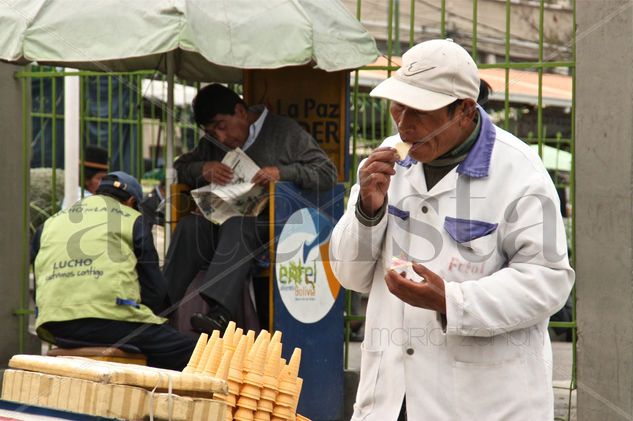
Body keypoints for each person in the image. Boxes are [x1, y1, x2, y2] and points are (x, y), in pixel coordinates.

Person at [330, 39, 575, 420]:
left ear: (463, 110)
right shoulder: (386, 162)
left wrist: (451, 301)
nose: (403, 122)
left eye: (420, 110)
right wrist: (367, 210)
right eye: (398, 104)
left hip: (484, 404)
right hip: (391, 401)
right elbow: (348, 274)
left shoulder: (519, 172)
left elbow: (548, 279)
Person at [164, 84, 338, 334]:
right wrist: (203, 168)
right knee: (190, 227)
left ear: (240, 111)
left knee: (238, 224)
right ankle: (160, 307)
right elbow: (181, 167)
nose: (221, 138)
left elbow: (326, 172)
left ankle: (219, 313)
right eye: (213, 132)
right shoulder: (213, 144)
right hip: (223, 227)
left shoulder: (284, 132)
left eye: (222, 126)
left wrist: (283, 173)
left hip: (272, 230)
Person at [32, 171, 196, 370]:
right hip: (109, 322)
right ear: (131, 201)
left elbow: (40, 271)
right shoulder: (133, 219)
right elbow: (155, 291)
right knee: (191, 352)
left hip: (54, 326)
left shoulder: (50, 223)